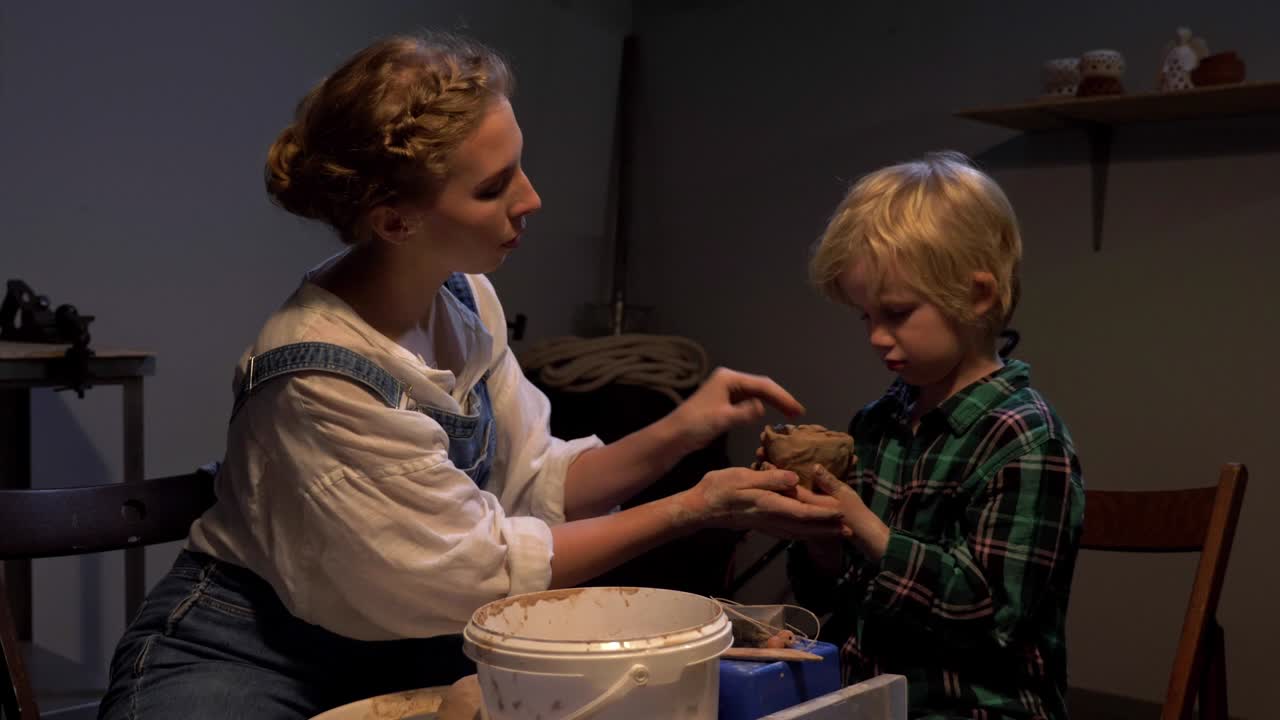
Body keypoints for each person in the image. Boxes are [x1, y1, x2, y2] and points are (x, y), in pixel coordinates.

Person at [98, 33, 843, 720]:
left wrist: (685, 427)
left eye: (519, 164)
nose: (531, 200)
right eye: (493, 189)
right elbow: (480, 570)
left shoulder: (462, 294)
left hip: (403, 635)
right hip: (251, 649)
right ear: (395, 222)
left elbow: (532, 483)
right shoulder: (320, 378)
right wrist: (692, 508)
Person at [783, 152, 1085, 719]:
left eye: (896, 313)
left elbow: (989, 612)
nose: (876, 337)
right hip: (871, 702)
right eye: (865, 316)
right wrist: (820, 540)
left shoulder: (1025, 438)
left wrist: (869, 530)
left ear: (977, 297)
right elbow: (841, 605)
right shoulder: (878, 423)